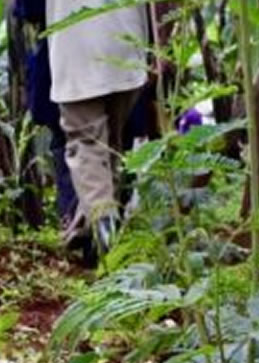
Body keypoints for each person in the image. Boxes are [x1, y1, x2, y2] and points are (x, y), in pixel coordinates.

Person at [46, 0, 151, 255]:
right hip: (126, 46)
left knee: (87, 143)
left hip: (76, 51)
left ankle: (105, 235)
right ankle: (86, 228)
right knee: (110, 144)